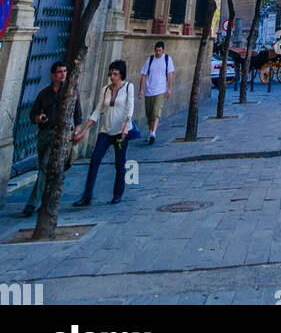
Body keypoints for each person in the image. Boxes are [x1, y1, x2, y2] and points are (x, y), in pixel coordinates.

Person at [22, 61, 82, 217]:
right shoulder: (44, 93)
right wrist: (38, 118)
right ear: (52, 75)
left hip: (61, 135)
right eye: (60, 72)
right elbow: (33, 113)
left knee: (43, 166)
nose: (63, 74)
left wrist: (76, 132)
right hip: (44, 134)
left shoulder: (70, 92)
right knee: (46, 168)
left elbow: (78, 114)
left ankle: (31, 203)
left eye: (65, 71)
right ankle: (46, 199)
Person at [73, 60, 135, 206]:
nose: (112, 76)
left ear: (121, 75)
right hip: (105, 131)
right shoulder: (105, 90)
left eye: (115, 74)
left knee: (120, 163)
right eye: (111, 73)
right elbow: (97, 111)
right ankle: (87, 196)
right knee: (95, 160)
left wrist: (127, 125)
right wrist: (83, 131)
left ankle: (117, 194)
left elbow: (130, 107)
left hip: (121, 132)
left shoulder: (128, 87)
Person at [138, 41, 174, 143]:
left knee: (156, 112)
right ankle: (150, 132)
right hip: (149, 90)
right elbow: (143, 75)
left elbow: (170, 74)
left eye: (160, 50)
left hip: (160, 90)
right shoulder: (149, 60)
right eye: (156, 50)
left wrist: (168, 88)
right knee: (149, 114)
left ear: (163, 51)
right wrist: (141, 90)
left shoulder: (167, 59)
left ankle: (153, 132)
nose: (158, 52)